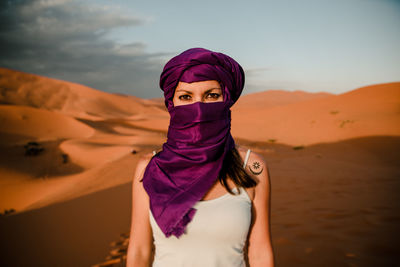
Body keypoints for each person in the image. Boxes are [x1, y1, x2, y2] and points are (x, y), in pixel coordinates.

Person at [126, 48, 274, 267]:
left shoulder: (251, 166)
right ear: (171, 103)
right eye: (186, 97)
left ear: (226, 100)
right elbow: (139, 251)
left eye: (212, 95)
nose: (199, 108)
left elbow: (260, 253)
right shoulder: (149, 168)